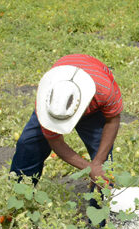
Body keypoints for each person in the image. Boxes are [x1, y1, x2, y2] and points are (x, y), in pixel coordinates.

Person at [10, 54, 123, 187]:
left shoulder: (104, 90)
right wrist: (88, 168)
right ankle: (21, 192)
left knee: (103, 160)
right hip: (57, 101)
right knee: (28, 144)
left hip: (94, 106)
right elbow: (55, 141)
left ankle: (100, 203)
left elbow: (113, 121)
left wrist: (97, 163)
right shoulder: (47, 99)